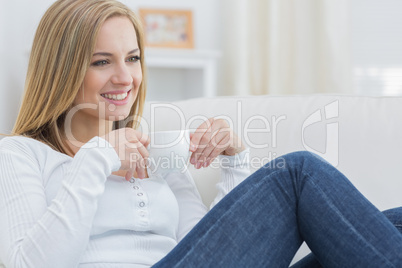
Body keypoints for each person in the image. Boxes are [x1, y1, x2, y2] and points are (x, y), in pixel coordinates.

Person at [0, 0, 401, 267]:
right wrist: (97, 157)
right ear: (61, 69)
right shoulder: (21, 154)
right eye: (102, 61)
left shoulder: (154, 149)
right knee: (297, 173)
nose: (125, 77)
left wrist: (234, 160)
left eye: (133, 58)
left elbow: (206, 243)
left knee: (393, 223)